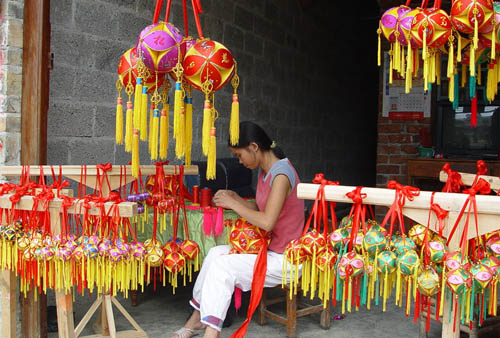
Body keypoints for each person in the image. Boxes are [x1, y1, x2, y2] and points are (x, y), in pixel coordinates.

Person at [172, 121, 304, 338]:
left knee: (224, 266)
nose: (239, 161)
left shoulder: (281, 175)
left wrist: (235, 205)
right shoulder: (266, 171)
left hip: (285, 258)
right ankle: (196, 320)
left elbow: (267, 221)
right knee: (215, 253)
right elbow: (262, 208)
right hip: (268, 250)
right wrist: (238, 199)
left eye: (239, 155)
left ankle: (210, 333)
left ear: (253, 146)